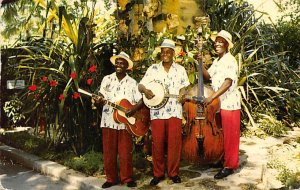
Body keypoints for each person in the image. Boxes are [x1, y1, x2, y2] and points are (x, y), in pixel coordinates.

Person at [138, 39, 190, 185]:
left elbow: (184, 87)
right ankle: (158, 173)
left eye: (168, 52)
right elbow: (141, 85)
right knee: (157, 143)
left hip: (174, 110)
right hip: (157, 111)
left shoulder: (180, 69)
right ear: (160, 54)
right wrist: (146, 91)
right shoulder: (153, 69)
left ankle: (173, 173)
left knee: (174, 143)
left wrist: (182, 94)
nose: (165, 54)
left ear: (173, 53)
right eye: (163, 52)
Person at [94, 51, 143, 188]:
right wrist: (98, 100)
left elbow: (140, 101)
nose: (119, 65)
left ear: (127, 66)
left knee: (125, 151)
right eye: (117, 63)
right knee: (109, 151)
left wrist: (133, 110)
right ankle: (111, 178)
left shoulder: (133, 83)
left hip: (125, 123)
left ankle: (127, 178)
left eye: (122, 63)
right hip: (108, 120)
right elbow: (100, 95)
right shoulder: (107, 79)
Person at [200, 30, 241, 179]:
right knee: (220, 134)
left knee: (230, 135)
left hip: (229, 103)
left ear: (227, 44)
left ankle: (230, 165)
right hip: (218, 103)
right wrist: (199, 63)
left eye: (220, 41)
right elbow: (208, 76)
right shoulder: (217, 61)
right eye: (216, 41)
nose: (217, 43)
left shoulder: (230, 60)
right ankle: (222, 159)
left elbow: (228, 82)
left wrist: (211, 98)